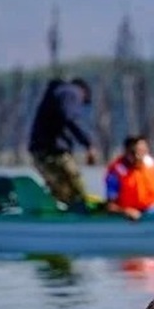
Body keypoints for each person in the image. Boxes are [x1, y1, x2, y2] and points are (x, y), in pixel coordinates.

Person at [27, 77, 98, 210]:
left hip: (40, 152)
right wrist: (88, 144)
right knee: (76, 191)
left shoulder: (57, 92)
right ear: (84, 92)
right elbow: (70, 118)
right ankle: (81, 219)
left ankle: (63, 217)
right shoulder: (72, 92)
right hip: (54, 152)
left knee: (60, 192)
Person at [104, 135, 154, 220]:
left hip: (152, 210)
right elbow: (110, 206)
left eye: (142, 152)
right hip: (128, 215)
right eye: (133, 152)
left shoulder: (151, 165)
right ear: (126, 152)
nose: (138, 156)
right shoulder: (116, 171)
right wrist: (125, 211)